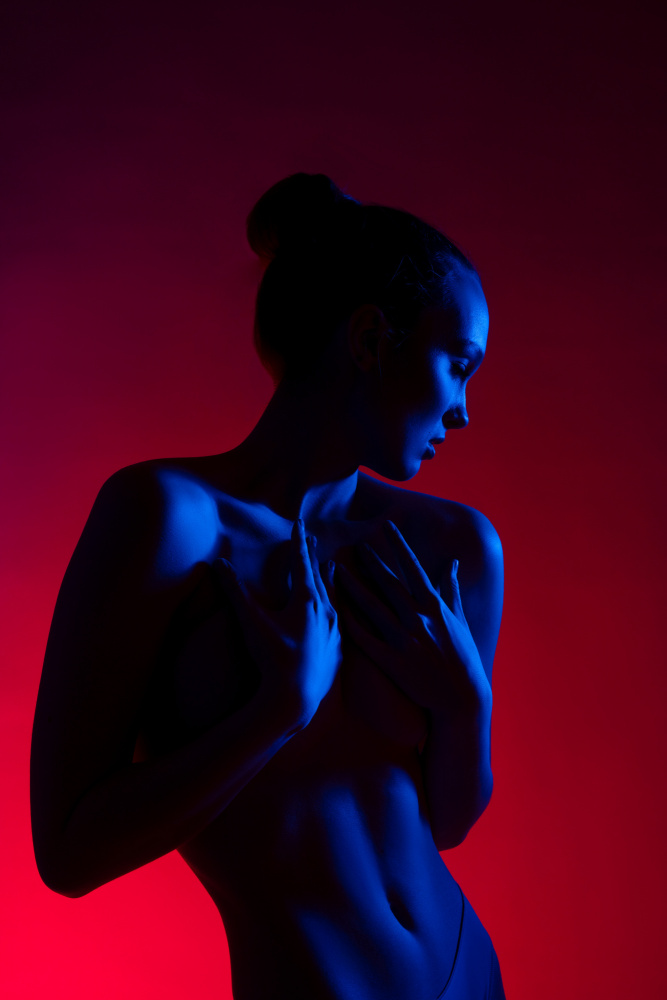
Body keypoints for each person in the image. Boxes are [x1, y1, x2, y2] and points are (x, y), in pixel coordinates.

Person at [30, 173, 505, 999]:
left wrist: (467, 705)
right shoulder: (168, 521)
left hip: (471, 976)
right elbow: (69, 854)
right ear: (368, 339)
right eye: (457, 364)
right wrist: (274, 714)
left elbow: (449, 824)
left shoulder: (453, 546)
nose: (463, 410)